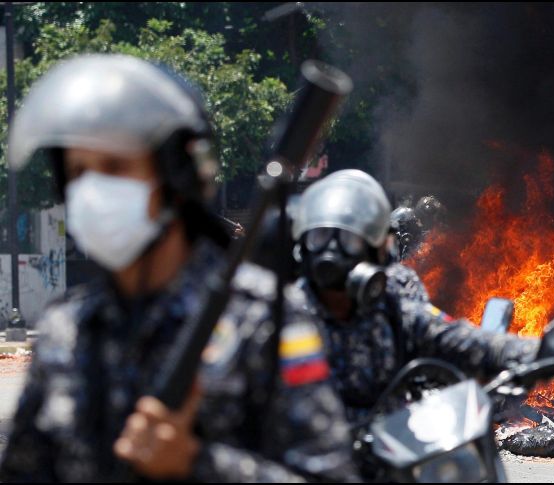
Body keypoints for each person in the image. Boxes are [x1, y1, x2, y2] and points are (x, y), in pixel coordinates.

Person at [0, 54, 356, 482]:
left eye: (116, 167)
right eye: (78, 172)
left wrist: (199, 463)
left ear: (175, 177)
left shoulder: (264, 320)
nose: (92, 190)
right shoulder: (65, 328)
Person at [290, 169, 539, 426]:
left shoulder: (393, 311)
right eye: (319, 237)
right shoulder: (276, 316)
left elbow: (455, 338)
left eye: (349, 240)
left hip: (384, 452)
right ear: (301, 247)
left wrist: (538, 352)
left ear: (376, 252)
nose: (332, 252)